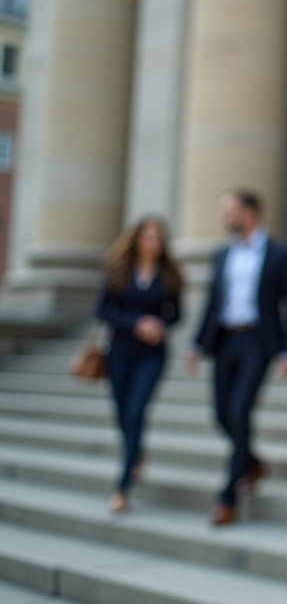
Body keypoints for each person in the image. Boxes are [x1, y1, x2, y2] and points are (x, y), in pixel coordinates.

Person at [187, 191, 287, 526]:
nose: (225, 217)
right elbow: (213, 301)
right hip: (224, 341)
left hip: (258, 341)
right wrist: (196, 344)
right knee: (221, 414)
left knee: (239, 413)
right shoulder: (222, 254)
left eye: (230, 210)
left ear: (249, 212)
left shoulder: (280, 253)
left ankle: (227, 499)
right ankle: (252, 462)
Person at [95, 217, 184, 514]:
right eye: (147, 237)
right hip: (119, 351)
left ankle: (121, 488)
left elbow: (177, 314)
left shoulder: (170, 274)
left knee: (135, 413)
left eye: (157, 238)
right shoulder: (118, 269)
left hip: (153, 354)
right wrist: (136, 323)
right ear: (136, 240)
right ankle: (137, 452)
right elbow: (102, 310)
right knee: (122, 415)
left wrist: (161, 325)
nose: (152, 243)